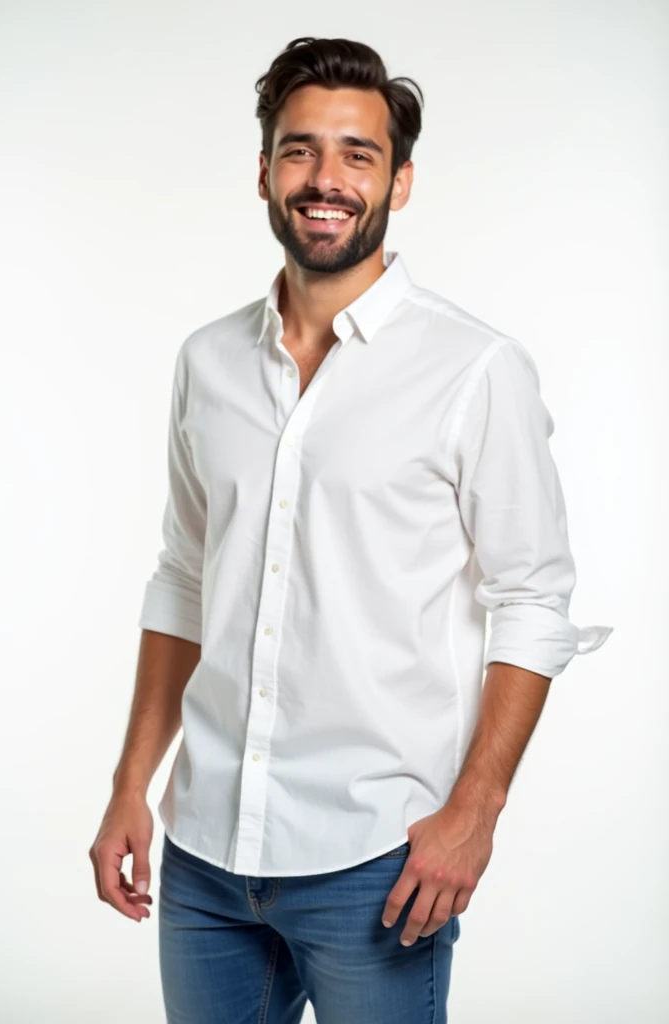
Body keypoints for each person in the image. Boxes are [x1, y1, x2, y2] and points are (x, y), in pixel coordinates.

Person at [89, 36, 613, 1023]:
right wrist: (130, 784)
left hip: (374, 859)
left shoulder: (473, 369)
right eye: (298, 150)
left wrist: (475, 812)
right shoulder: (206, 361)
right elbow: (183, 580)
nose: (324, 179)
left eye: (356, 154)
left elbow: (531, 603)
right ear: (262, 171)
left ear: (398, 181)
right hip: (202, 856)